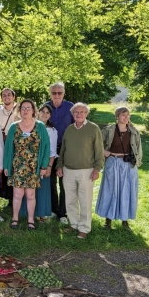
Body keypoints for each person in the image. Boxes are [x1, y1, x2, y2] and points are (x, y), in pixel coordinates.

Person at [56, 103, 104, 240]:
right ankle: (74, 224)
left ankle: (84, 228)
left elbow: (99, 152)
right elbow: (63, 150)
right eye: (76, 112)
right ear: (72, 114)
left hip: (87, 171)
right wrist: (59, 166)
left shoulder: (93, 129)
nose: (79, 114)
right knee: (70, 200)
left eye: (82, 112)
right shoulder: (69, 129)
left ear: (86, 114)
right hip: (68, 170)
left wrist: (97, 169)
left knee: (85, 200)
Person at [3, 99, 50, 231]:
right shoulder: (14, 127)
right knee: (17, 194)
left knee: (30, 195)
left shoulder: (40, 126)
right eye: (23, 108)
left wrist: (44, 166)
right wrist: (6, 165)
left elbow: (46, 147)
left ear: (33, 110)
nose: (26, 110)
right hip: (17, 166)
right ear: (19, 110)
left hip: (33, 167)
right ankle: (15, 218)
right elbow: (8, 148)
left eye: (28, 108)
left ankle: (30, 220)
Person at [95, 106, 142, 231]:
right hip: (112, 162)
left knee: (126, 191)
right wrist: (104, 152)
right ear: (117, 117)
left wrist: (136, 162)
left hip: (128, 164)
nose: (126, 118)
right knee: (110, 190)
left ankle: (125, 221)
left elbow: (139, 149)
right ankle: (108, 221)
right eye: (123, 115)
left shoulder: (134, 131)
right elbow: (96, 143)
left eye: (127, 115)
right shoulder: (109, 130)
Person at [19, 104, 57, 222]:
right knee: (29, 190)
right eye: (42, 111)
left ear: (50, 115)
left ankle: (41, 214)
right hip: (29, 164)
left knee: (42, 190)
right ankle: (29, 213)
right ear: (37, 112)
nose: (44, 114)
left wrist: (49, 166)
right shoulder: (32, 126)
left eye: (47, 113)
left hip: (43, 164)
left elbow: (52, 151)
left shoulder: (51, 130)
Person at [47, 82, 74, 225]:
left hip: (65, 150)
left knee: (64, 183)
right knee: (51, 182)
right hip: (50, 150)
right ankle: (53, 209)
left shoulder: (71, 107)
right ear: (50, 93)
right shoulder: (45, 107)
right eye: (54, 93)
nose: (56, 95)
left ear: (64, 93)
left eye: (59, 93)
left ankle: (63, 213)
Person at [0, 88, 20, 203]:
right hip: (3, 142)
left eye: (9, 95)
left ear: (13, 97)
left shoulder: (19, 110)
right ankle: (5, 194)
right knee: (5, 167)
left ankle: (14, 198)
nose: (6, 97)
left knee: (14, 168)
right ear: (1, 98)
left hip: (16, 144)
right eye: (4, 95)